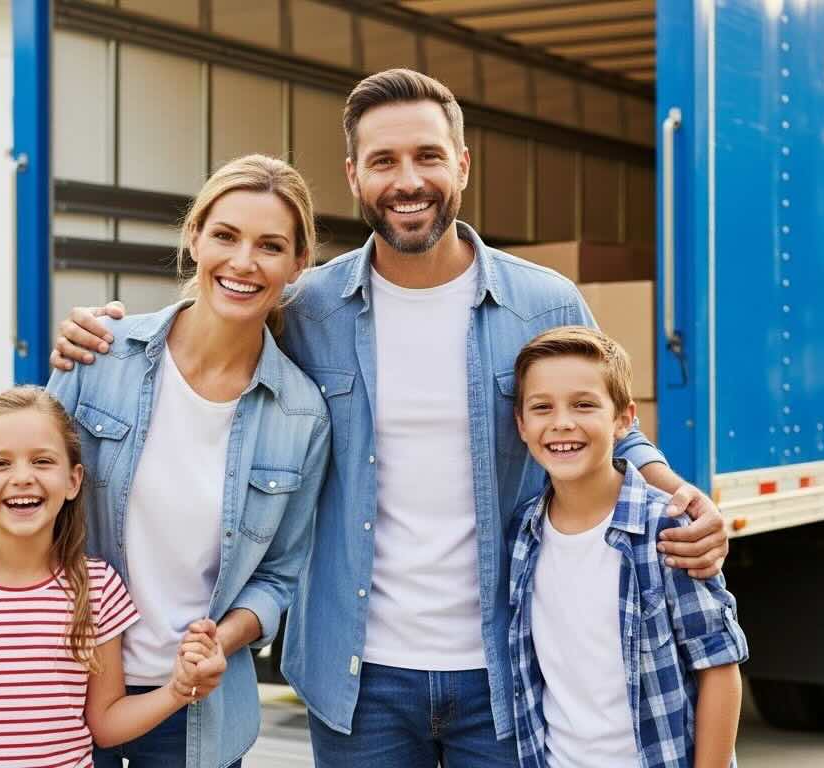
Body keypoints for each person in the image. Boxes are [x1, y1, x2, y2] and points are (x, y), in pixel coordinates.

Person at [51, 69, 730, 767]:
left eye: (427, 156)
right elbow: (219, 327)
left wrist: (673, 490)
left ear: (461, 165)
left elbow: (611, 427)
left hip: (504, 668)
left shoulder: (544, 304)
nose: (408, 180)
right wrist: (104, 331)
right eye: (383, 161)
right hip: (356, 677)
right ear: (353, 175)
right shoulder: (307, 310)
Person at [0, 155, 331, 768]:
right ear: (194, 236)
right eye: (225, 235)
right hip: (56, 691)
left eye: (270, 246)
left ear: (298, 263)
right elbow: (20, 491)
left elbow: (281, 576)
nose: (243, 261)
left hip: (189, 710)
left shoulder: (301, 415)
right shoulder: (102, 355)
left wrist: (218, 644)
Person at [0, 386, 220, 768]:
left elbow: (105, 723)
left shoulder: (98, 590)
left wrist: (177, 689)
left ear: (74, 480)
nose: (23, 477)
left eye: (42, 461)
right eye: (0, 464)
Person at [507, 327, 746, 768]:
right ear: (522, 424)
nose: (561, 422)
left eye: (583, 405)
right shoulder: (523, 533)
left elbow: (718, 668)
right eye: (542, 408)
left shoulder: (668, 530)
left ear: (623, 419)